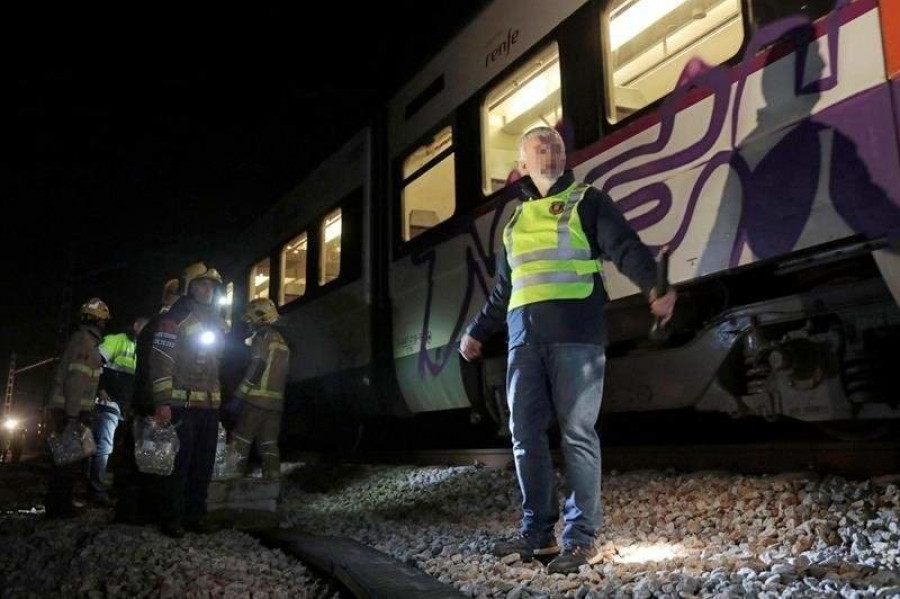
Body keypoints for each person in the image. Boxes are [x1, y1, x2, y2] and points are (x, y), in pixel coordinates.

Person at [459, 127, 677, 573]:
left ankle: (581, 539)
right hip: (523, 342)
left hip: (577, 335)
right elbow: (505, 288)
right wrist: (477, 331)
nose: (550, 150)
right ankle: (537, 535)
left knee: (577, 434)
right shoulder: (515, 223)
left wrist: (653, 282)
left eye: (556, 145)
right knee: (524, 438)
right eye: (539, 146)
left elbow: (624, 246)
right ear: (521, 165)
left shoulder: (588, 199)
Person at [148, 262, 226, 537]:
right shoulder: (174, 318)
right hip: (182, 406)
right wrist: (162, 402)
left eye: (212, 286)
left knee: (202, 465)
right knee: (179, 467)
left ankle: (196, 516)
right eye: (203, 284)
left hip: (209, 407)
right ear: (190, 285)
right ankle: (172, 519)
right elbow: (161, 361)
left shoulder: (216, 320)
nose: (208, 290)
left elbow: (216, 366)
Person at [44, 298, 111, 518]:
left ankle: (59, 504)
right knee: (66, 463)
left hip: (67, 410)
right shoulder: (85, 345)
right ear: (99, 322)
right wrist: (73, 416)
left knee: (65, 461)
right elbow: (75, 381)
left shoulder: (83, 341)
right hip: (69, 411)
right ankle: (60, 508)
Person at [229, 298, 290, 480]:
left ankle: (231, 485)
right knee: (269, 445)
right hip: (275, 404)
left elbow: (258, 365)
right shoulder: (283, 342)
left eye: (249, 319)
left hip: (255, 401)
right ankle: (273, 487)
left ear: (259, 318)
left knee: (240, 441)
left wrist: (239, 395)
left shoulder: (262, 337)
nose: (248, 324)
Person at [89, 317, 148, 504]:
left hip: (127, 407)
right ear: (135, 325)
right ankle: (96, 491)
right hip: (109, 402)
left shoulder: (144, 350)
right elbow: (93, 363)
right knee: (104, 446)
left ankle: (113, 488)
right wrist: (100, 389)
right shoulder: (117, 340)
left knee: (120, 449)